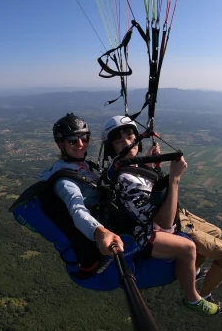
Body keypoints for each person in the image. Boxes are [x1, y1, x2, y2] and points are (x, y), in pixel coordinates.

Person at [38, 113, 181, 292]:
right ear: (61, 144)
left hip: (115, 217)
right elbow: (77, 209)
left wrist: (148, 160)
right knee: (186, 245)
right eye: (73, 141)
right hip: (102, 234)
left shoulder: (83, 167)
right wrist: (100, 232)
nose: (81, 144)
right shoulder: (64, 181)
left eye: (84, 138)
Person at [102, 115, 222, 315]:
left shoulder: (128, 165)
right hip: (144, 234)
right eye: (119, 140)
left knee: (216, 232)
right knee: (188, 247)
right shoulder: (126, 178)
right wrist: (175, 179)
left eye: (129, 136)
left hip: (150, 220)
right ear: (111, 148)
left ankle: (192, 272)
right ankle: (193, 299)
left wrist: (152, 165)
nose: (127, 142)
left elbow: (146, 191)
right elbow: (164, 223)